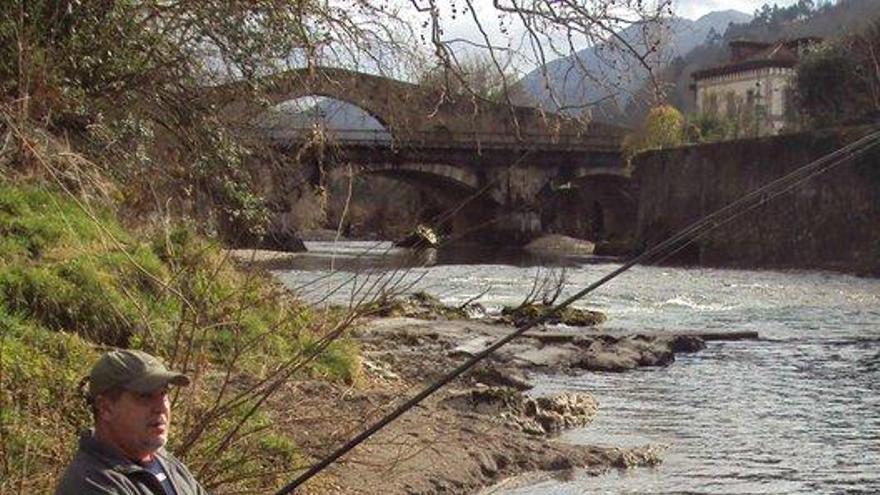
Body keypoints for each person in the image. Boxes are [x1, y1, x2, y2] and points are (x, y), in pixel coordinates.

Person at [55, 349, 208, 494]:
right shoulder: (90, 484)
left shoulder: (165, 461)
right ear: (105, 408)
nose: (161, 407)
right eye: (145, 396)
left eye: (164, 393)